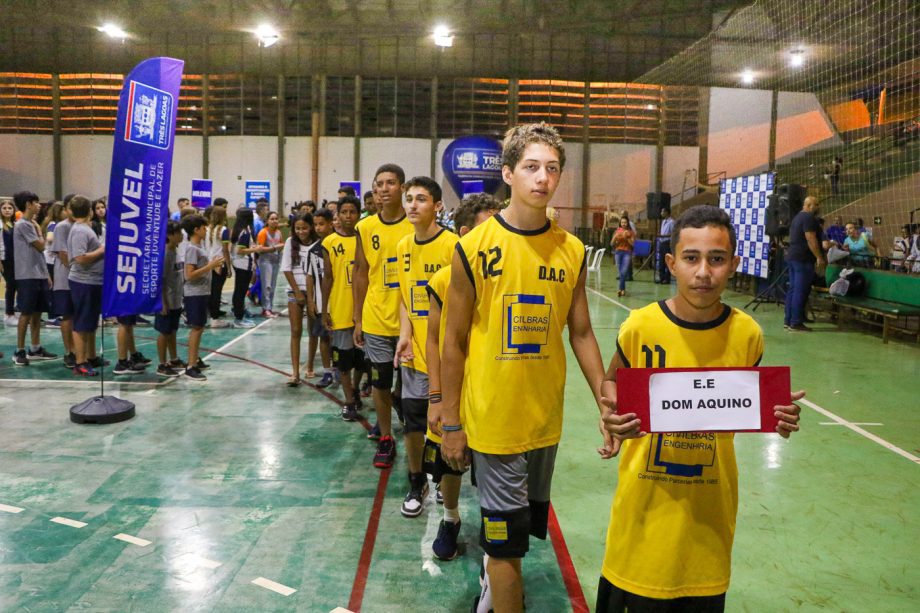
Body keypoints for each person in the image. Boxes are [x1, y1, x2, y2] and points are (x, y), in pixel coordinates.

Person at [597, 205, 803, 613]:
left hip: (708, 525)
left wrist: (778, 415)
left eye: (717, 259)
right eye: (691, 258)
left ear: (734, 264)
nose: (704, 272)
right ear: (671, 263)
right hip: (641, 521)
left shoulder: (747, 334)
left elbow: (747, 403)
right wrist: (610, 413)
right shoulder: (639, 326)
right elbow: (611, 382)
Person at [440, 123, 608, 613]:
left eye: (552, 168)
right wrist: (450, 421)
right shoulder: (472, 248)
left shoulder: (571, 250)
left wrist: (605, 399)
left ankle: (496, 578)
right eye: (532, 167)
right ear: (509, 174)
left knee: (518, 534)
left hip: (544, 420)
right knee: (507, 546)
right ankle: (498, 581)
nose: (543, 178)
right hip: (493, 421)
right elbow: (453, 341)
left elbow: (581, 332)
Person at [424, 193, 500, 560]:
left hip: (491, 388)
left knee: (493, 466)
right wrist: (436, 397)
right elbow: (434, 340)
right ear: (466, 233)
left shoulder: (505, 276)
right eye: (490, 227)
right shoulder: (443, 279)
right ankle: (450, 518)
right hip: (455, 388)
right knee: (449, 462)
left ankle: (494, 529)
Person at [392, 176, 459, 518]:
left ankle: (445, 482)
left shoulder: (452, 246)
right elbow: (407, 298)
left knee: (445, 422)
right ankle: (417, 481)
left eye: (420, 199)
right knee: (413, 422)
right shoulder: (403, 246)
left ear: (437, 206)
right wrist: (404, 334)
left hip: (447, 356)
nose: (412, 205)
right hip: (414, 353)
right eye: (409, 199)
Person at [353, 163, 415, 468]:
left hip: (410, 320)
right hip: (376, 316)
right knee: (379, 381)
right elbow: (360, 272)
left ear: (402, 187)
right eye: (379, 183)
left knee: (409, 384)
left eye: (391, 183)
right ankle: (387, 438)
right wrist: (357, 319)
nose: (384, 188)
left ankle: (405, 416)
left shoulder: (415, 224)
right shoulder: (365, 227)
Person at [321, 197, 362, 415]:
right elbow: (327, 277)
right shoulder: (329, 242)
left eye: (352, 211)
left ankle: (355, 389)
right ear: (337, 215)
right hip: (340, 309)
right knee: (343, 361)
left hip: (364, 310)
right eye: (344, 212)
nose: (348, 216)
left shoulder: (365, 238)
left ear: (358, 214)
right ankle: (349, 400)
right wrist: (324, 309)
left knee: (362, 360)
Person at [11, 191, 56, 365]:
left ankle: (35, 348)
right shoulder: (23, 225)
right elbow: (41, 246)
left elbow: (39, 254)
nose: (39, 205)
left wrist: (46, 274)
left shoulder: (31, 224)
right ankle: (19, 350)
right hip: (27, 275)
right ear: (28, 204)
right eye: (36, 202)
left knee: (37, 313)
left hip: (39, 274)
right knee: (26, 313)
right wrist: (40, 230)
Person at [182, 214, 224, 382]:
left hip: (202, 292)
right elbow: (189, 275)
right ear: (196, 229)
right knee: (197, 328)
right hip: (194, 293)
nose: (206, 230)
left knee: (200, 327)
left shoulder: (200, 247)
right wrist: (210, 266)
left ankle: (195, 359)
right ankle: (191, 366)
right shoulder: (192, 248)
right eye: (204, 228)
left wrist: (213, 266)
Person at [68, 196, 106, 376]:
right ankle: (80, 362)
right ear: (90, 211)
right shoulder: (80, 231)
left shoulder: (84, 229)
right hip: (84, 281)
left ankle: (90, 356)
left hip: (93, 281)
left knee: (90, 321)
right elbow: (80, 258)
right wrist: (102, 249)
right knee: (82, 322)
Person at [281, 213, 317, 387]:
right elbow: (286, 269)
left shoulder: (317, 243)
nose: (301, 231)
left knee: (313, 331)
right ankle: (295, 372)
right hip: (295, 292)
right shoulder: (290, 243)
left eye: (304, 228)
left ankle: (310, 365)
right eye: (297, 228)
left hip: (313, 292)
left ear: (311, 227)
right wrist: (297, 292)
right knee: (295, 330)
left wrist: (310, 295)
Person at [784, 196, 825, 332]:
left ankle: (789, 320)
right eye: (816, 204)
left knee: (793, 289)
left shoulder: (797, 217)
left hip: (793, 256)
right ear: (808, 205)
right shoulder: (808, 218)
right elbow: (810, 238)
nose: (818, 207)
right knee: (800, 290)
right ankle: (796, 322)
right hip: (803, 259)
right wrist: (819, 257)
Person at [306, 208, 335, 385]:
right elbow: (309, 277)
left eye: (321, 224)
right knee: (324, 337)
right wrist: (310, 301)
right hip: (321, 302)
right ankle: (327, 371)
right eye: (315, 224)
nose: (318, 228)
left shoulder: (339, 244)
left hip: (339, 301)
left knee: (339, 339)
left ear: (331, 224)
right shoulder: (313, 250)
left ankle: (341, 369)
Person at [155, 221, 185, 377]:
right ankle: (161, 364)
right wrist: (163, 302)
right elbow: (161, 280)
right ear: (169, 235)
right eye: (178, 233)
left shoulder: (176, 252)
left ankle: (174, 359)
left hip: (176, 300)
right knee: (164, 332)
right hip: (167, 301)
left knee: (172, 331)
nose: (181, 235)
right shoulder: (165, 254)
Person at [52, 196, 76, 368]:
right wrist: (77, 270)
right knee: (67, 315)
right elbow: (63, 254)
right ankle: (69, 352)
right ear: (66, 208)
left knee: (78, 316)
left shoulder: (83, 226)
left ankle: (80, 352)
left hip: (79, 278)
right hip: (65, 278)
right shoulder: (62, 227)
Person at [229, 208, 261, 328]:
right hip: (243, 265)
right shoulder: (245, 232)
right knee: (240, 292)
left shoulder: (238, 230)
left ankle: (238, 313)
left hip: (238, 264)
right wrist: (256, 249)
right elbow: (240, 250)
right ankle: (239, 319)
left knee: (239, 291)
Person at [206, 202, 232, 326]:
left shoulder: (207, 229)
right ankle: (215, 318)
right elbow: (225, 250)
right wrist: (229, 267)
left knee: (211, 290)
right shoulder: (224, 230)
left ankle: (212, 314)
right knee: (217, 291)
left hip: (209, 263)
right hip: (220, 263)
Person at [256, 211, 284, 317]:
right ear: (267, 221)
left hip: (275, 261)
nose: (274, 221)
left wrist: (279, 248)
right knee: (266, 286)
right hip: (265, 261)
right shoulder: (263, 232)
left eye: (276, 219)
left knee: (272, 286)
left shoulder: (279, 232)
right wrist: (274, 248)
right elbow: (259, 249)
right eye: (272, 219)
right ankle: (265, 309)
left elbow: (281, 245)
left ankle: (270, 308)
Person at [2, 199, 19, 326]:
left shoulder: (13, 224)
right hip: (4, 260)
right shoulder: (0, 225)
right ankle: (9, 314)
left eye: (9, 208)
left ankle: (12, 312)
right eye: (4, 208)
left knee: (14, 285)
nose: (7, 210)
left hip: (15, 260)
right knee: (11, 285)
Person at [611, 216, 635, 297]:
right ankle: (622, 290)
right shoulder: (617, 231)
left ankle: (620, 289)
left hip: (627, 253)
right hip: (618, 252)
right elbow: (611, 243)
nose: (623, 224)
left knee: (623, 272)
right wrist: (615, 238)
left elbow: (633, 244)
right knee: (620, 271)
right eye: (622, 222)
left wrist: (627, 238)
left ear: (628, 223)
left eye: (625, 222)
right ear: (620, 223)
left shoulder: (630, 232)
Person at [657, 206, 673, 284]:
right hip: (661, 242)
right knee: (661, 261)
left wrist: (663, 236)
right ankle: (661, 278)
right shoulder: (663, 221)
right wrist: (660, 235)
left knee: (667, 262)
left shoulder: (671, 222)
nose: (661, 213)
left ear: (667, 212)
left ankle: (667, 279)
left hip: (667, 243)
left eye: (663, 211)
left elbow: (673, 234)